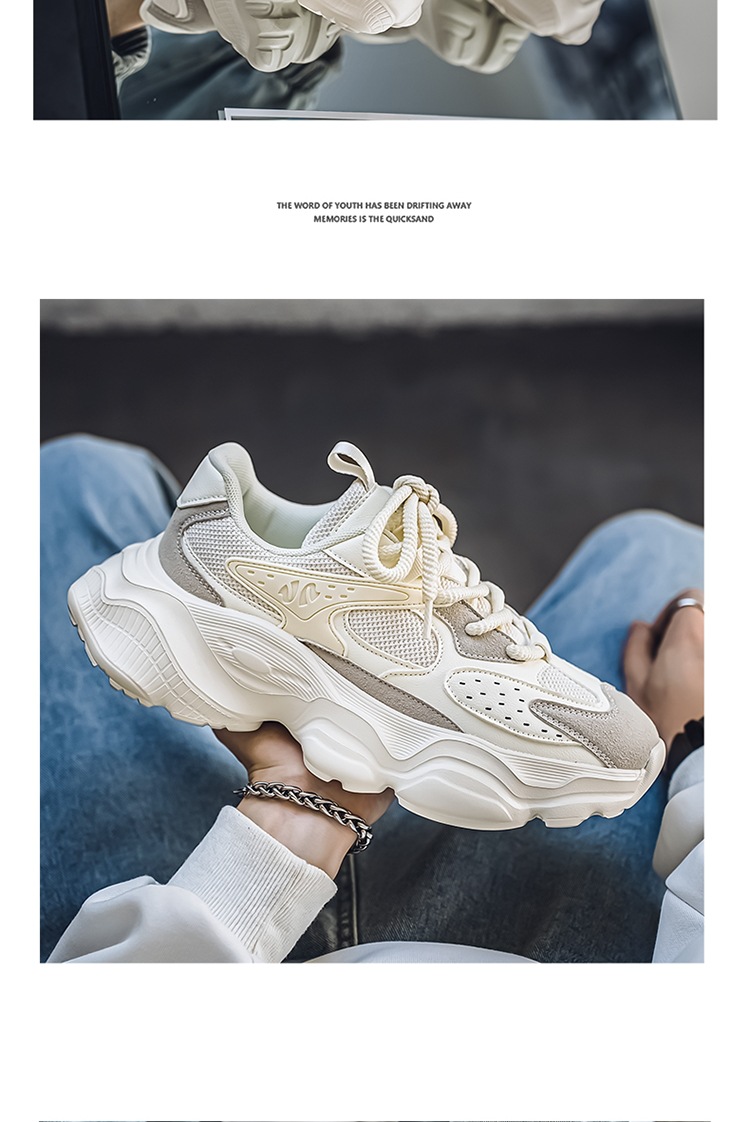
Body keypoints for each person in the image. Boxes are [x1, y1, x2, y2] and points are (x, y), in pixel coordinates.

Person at [41, 435, 703, 964]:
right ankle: (291, 604)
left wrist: (272, 847)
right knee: (658, 547)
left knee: (77, 477)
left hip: (197, 926)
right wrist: (701, 745)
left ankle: (208, 576)